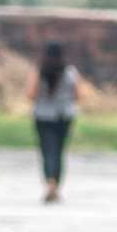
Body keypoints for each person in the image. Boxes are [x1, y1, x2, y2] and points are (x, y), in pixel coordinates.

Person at [32, 41, 78, 204]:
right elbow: (78, 95)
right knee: (59, 152)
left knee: (47, 152)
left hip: (43, 116)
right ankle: (56, 186)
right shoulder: (70, 72)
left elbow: (30, 94)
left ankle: (49, 182)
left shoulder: (40, 72)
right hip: (64, 116)